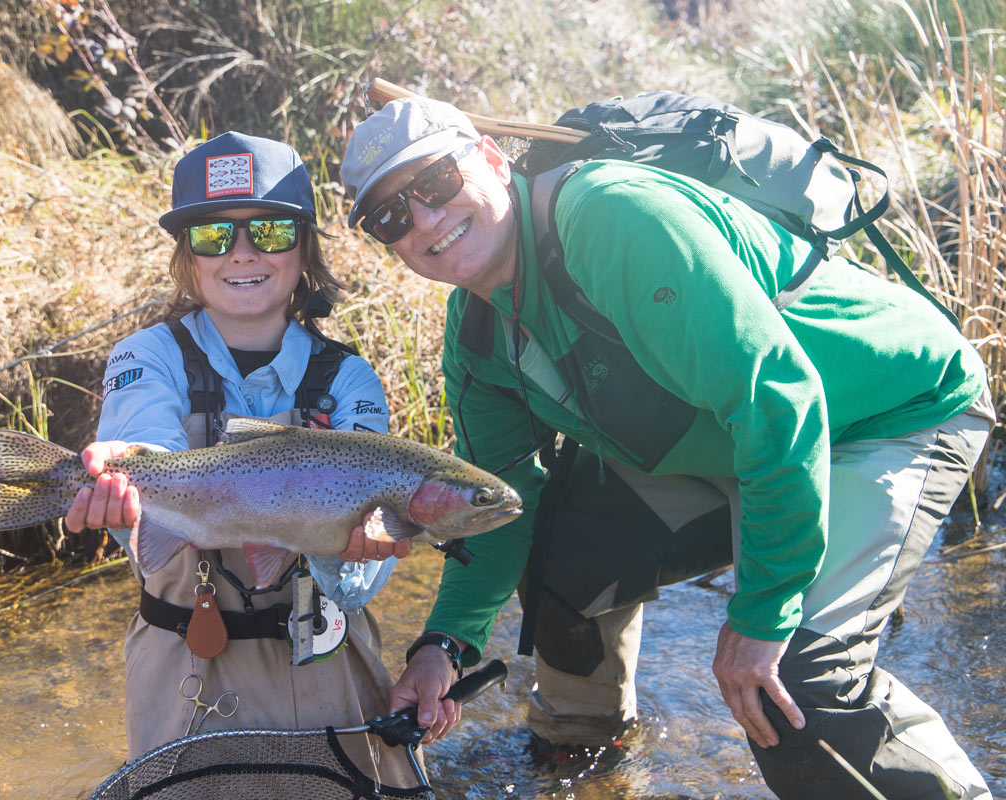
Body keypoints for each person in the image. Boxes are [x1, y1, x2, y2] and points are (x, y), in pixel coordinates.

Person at [338, 95, 997, 799]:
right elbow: (502, 505)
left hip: (881, 416)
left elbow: (779, 400)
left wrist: (762, 611)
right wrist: (444, 646)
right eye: (391, 216)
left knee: (794, 691)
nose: (426, 220)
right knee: (563, 561)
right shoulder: (474, 334)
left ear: (494, 161)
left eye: (436, 183)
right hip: (733, 446)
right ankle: (585, 763)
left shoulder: (612, 217)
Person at [64, 131, 421, 789]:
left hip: (328, 665)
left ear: (305, 246)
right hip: (188, 671)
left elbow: (364, 578)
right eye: (214, 236)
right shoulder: (145, 355)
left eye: (271, 232)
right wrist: (130, 469)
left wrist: (351, 551)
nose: (244, 254)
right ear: (188, 256)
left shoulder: (349, 380)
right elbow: (146, 445)